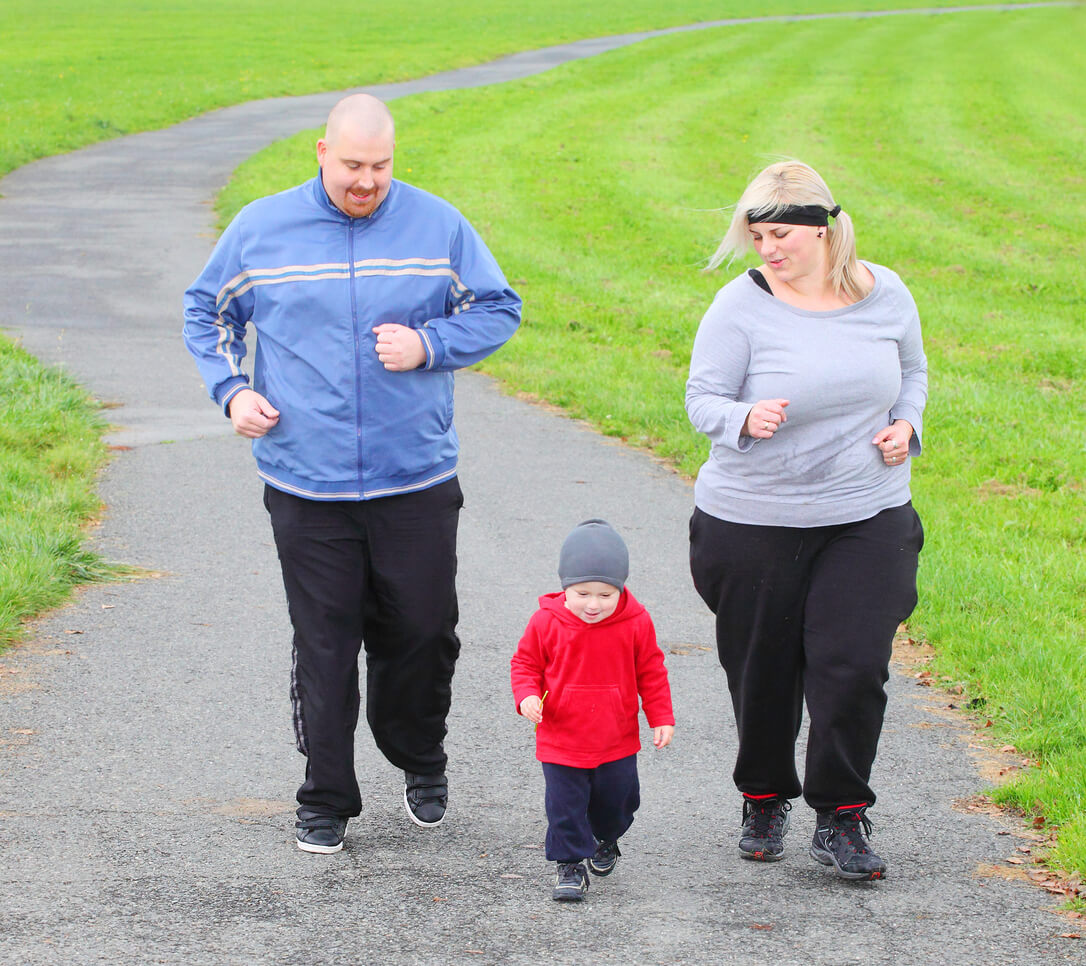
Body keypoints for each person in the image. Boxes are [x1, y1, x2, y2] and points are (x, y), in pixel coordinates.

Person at [183, 93, 521, 854]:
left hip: (416, 477)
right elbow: (206, 311)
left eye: (380, 166)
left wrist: (430, 345)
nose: (367, 181)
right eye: (352, 165)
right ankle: (326, 794)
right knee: (325, 642)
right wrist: (233, 390)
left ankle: (419, 756)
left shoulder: (437, 226)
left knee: (424, 632)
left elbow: (498, 308)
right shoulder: (262, 229)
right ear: (321, 153)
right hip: (307, 481)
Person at [685, 160, 926, 881]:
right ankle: (763, 795)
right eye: (756, 235)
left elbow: (911, 372)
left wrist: (907, 424)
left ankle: (842, 816)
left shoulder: (886, 294)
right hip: (753, 520)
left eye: (781, 233)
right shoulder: (739, 306)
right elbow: (702, 399)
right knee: (764, 673)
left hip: (866, 512)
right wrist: (742, 418)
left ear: (826, 230)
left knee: (852, 665)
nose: (768, 249)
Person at [510, 519, 675, 901]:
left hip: (615, 739)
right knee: (564, 806)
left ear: (620, 589)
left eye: (605, 594)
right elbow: (525, 665)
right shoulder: (546, 621)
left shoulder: (636, 622)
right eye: (583, 593)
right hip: (561, 737)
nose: (593, 604)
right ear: (565, 586)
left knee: (619, 802)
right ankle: (569, 865)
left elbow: (651, 670)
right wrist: (526, 697)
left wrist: (661, 716)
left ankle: (607, 837)